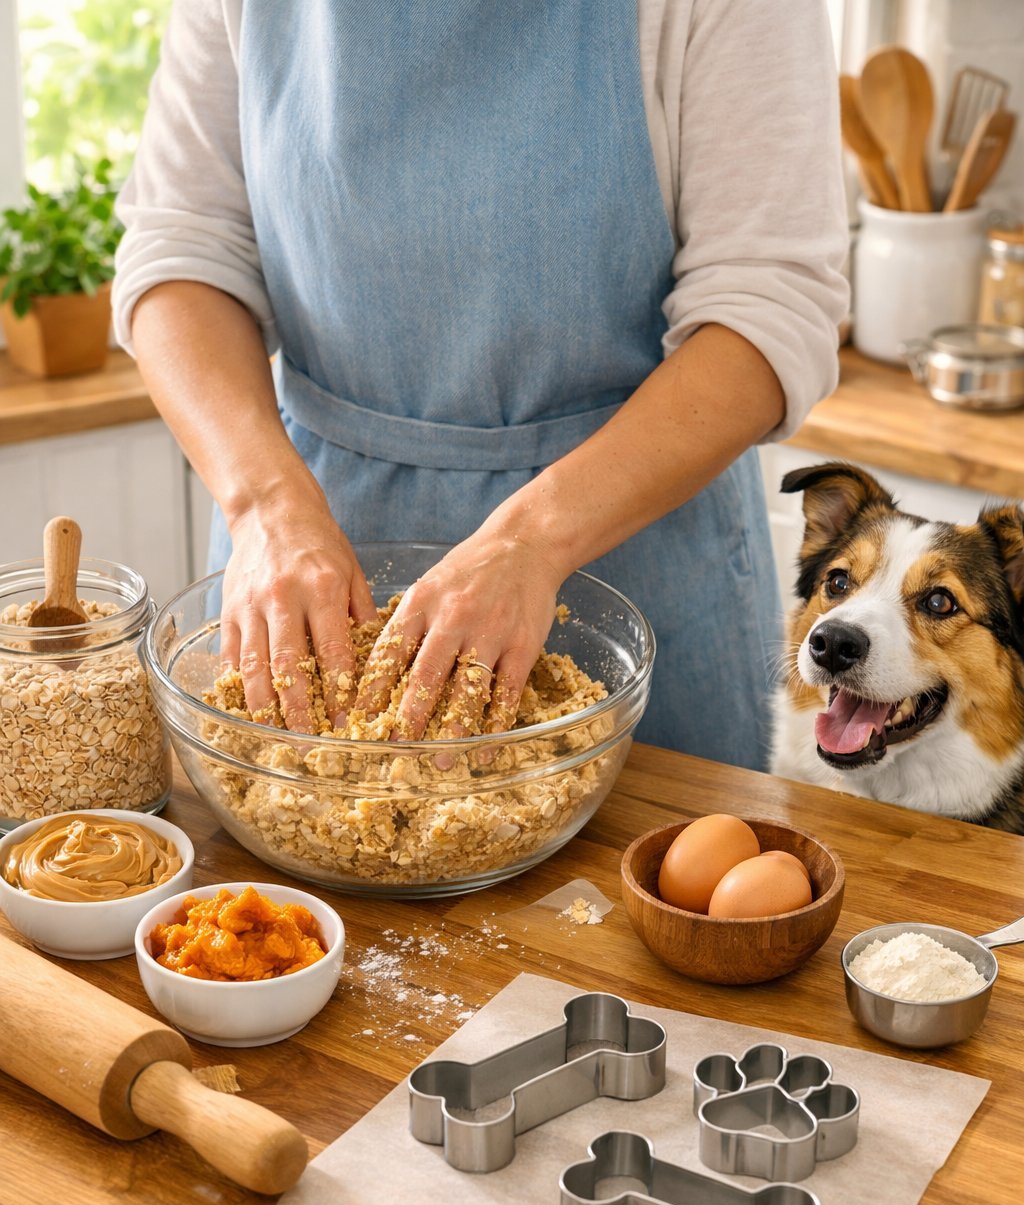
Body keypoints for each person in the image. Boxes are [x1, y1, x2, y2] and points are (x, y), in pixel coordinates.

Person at [113, 0, 848, 765]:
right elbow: (181, 251)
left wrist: (531, 542)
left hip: (632, 551)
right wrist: (265, 505)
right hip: (310, 529)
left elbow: (768, 308)